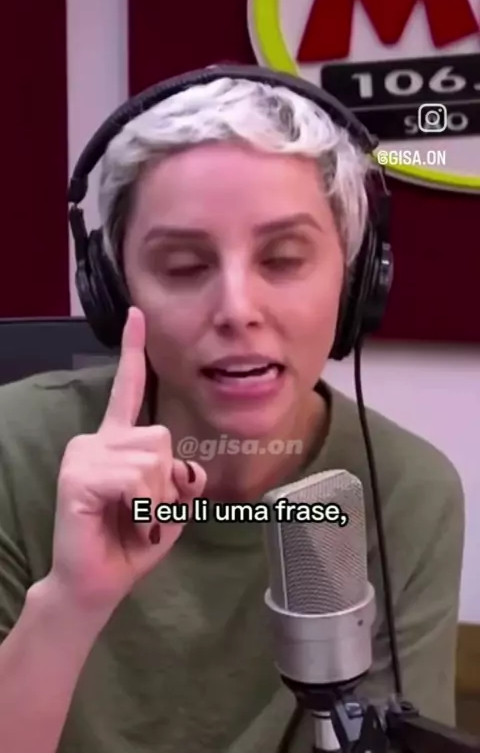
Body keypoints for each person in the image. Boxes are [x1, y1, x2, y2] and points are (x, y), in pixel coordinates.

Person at [0, 68, 464, 753]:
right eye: (184, 267)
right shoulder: (13, 451)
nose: (238, 310)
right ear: (113, 290)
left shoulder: (404, 490)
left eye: (284, 258)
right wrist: (69, 603)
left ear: (355, 279)